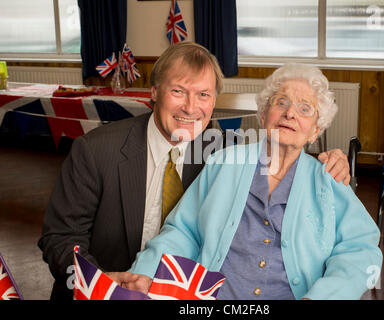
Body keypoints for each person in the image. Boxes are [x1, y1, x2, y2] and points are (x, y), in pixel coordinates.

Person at [38, 42, 351, 300]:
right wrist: (99, 283)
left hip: (180, 290)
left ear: (214, 100)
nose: (191, 108)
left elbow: (284, 143)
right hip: (109, 288)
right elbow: (60, 238)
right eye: (178, 91)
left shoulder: (226, 152)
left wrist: (330, 159)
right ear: (155, 92)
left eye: (203, 95)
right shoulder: (95, 151)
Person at [123, 63, 382, 300]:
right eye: (281, 102)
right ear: (263, 115)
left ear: (316, 130)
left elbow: (361, 251)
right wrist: (146, 272)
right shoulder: (223, 163)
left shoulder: (328, 178)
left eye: (305, 109)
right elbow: (183, 230)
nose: (290, 113)